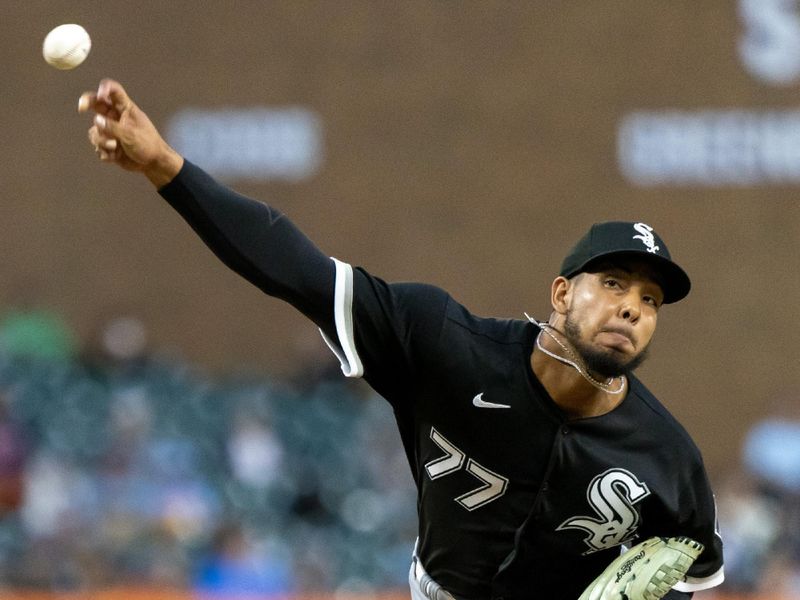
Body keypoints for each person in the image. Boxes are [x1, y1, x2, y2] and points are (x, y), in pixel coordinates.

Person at [78, 79, 724, 600]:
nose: (632, 308)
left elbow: (689, 575)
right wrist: (166, 167)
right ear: (561, 294)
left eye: (650, 300)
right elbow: (292, 268)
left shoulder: (668, 459)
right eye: (613, 282)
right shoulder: (442, 342)